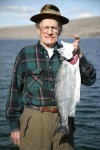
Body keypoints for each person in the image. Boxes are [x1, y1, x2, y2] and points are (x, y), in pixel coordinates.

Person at [6, 4, 96, 150]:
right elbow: (15, 91)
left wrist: (79, 54)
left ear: (59, 30)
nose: (49, 31)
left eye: (54, 28)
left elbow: (90, 80)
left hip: (65, 118)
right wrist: (13, 126)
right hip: (35, 120)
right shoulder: (25, 54)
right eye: (45, 27)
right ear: (38, 30)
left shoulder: (69, 53)